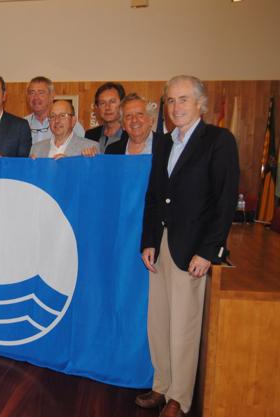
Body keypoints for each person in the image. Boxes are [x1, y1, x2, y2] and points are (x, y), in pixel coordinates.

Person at [136, 75, 239, 417]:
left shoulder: (218, 141)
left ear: (200, 104)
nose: (175, 107)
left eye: (183, 100)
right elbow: (153, 197)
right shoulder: (164, 143)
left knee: (184, 325)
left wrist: (208, 251)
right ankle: (162, 386)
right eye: (170, 101)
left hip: (192, 248)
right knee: (159, 321)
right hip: (162, 245)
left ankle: (180, 396)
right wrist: (149, 240)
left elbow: (224, 203)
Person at [24, 76, 85, 144]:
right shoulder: (22, 124)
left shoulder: (68, 122)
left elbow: (82, 147)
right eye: (32, 93)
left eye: (41, 93)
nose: (36, 97)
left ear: (52, 96)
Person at [30, 100, 97, 158]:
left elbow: (96, 173)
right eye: (53, 116)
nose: (57, 121)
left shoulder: (90, 148)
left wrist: (70, 166)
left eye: (62, 116)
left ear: (73, 120)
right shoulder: (36, 148)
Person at [85, 82, 128, 153]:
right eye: (102, 103)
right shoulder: (90, 135)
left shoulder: (131, 135)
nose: (107, 107)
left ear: (123, 104)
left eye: (112, 102)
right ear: (97, 107)